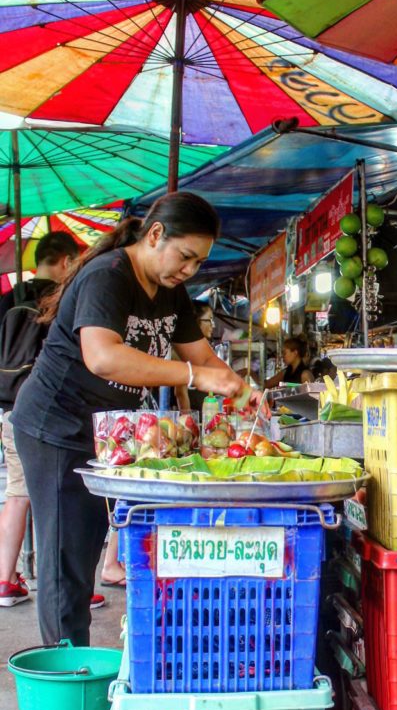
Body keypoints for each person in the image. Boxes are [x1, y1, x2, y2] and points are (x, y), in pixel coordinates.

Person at [11, 192, 252, 646]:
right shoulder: (109, 276)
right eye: (185, 257)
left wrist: (244, 390)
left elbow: (203, 358)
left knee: (90, 544)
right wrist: (193, 375)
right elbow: (103, 358)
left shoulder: (172, 293)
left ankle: (79, 655)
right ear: (156, 234)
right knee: (68, 557)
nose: (189, 270)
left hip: (106, 434)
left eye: (198, 262)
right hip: (54, 426)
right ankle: (67, 668)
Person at [0, 232, 80, 607]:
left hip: (8, 409)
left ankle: (5, 578)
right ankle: (59, 584)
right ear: (66, 261)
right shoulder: (60, 302)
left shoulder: (7, 300)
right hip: (49, 413)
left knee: (17, 493)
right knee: (54, 499)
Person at [174, 301, 216, 412]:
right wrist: (187, 419)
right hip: (191, 415)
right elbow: (180, 393)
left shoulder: (202, 352)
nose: (213, 325)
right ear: (196, 322)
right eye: (209, 320)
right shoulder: (183, 353)